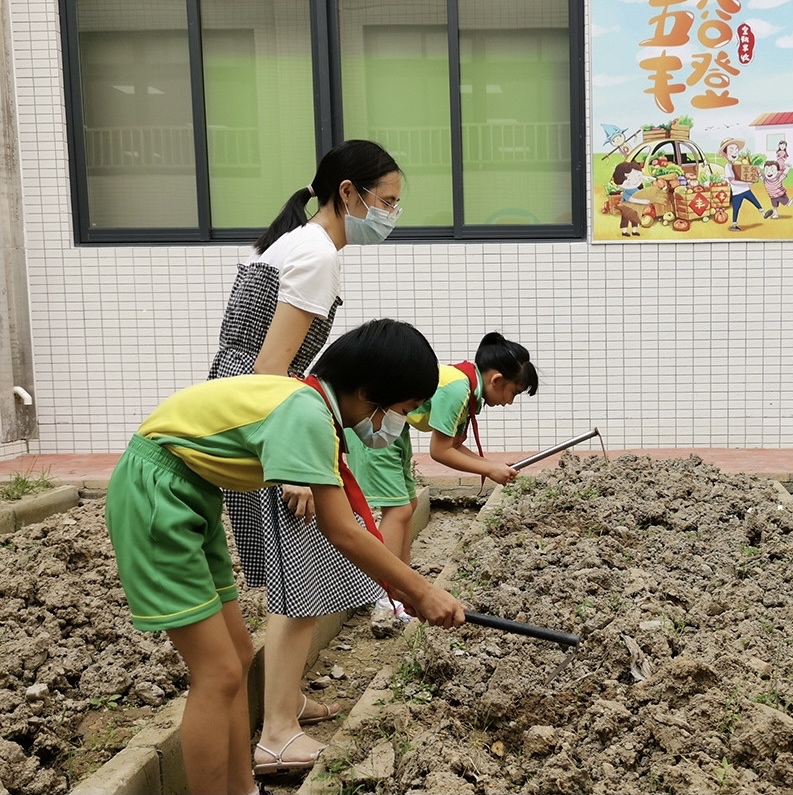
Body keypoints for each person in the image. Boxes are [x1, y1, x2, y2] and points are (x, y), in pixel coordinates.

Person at [106, 319, 466, 795]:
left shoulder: (310, 403)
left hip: (189, 492)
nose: (397, 424)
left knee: (237, 656)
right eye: (402, 410)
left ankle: (242, 788)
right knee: (217, 671)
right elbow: (342, 530)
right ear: (368, 393)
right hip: (158, 493)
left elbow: (345, 527)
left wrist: (408, 589)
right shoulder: (307, 413)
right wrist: (420, 590)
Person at [207, 139, 404, 773]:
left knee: (290, 573)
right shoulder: (317, 254)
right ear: (348, 193)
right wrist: (291, 466)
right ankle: (277, 735)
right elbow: (272, 369)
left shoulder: (292, 243)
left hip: (243, 405)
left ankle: (286, 704)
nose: (392, 214)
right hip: (264, 413)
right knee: (300, 579)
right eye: (387, 201)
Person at [346, 331, 538, 614]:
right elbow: (440, 451)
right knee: (397, 510)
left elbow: (453, 446)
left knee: (409, 505)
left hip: (394, 427)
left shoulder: (467, 387)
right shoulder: (459, 390)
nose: (509, 402)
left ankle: (402, 585)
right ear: (497, 380)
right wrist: (489, 468)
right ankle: (385, 596)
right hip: (377, 425)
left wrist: (491, 466)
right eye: (514, 392)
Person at [719, 137, 770, 232]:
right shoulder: (728, 166)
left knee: (755, 201)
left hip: (746, 189)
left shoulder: (741, 164)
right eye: (731, 150)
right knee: (736, 208)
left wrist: (755, 173)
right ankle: (734, 225)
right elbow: (733, 181)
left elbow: (747, 173)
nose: (734, 152)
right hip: (737, 192)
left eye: (736, 150)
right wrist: (747, 182)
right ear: (725, 154)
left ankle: (764, 213)